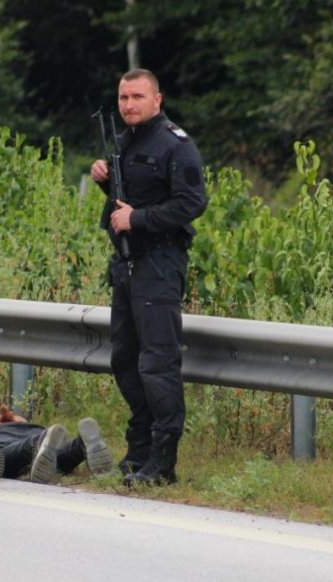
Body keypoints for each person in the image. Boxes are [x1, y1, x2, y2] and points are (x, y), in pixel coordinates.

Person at [89, 68, 208, 487]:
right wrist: (105, 181)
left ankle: (163, 460)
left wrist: (136, 219)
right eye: (123, 98)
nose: (129, 105)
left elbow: (192, 203)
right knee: (125, 359)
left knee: (158, 364)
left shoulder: (177, 145)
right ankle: (138, 447)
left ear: (157, 99)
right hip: (127, 266)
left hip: (159, 264)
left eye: (137, 97)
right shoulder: (126, 140)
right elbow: (129, 194)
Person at [0, 404, 113, 483]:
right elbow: (21, 420)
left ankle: (36, 443)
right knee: (50, 456)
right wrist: (10, 417)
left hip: (2, 436)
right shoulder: (12, 417)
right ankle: (80, 446)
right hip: (33, 428)